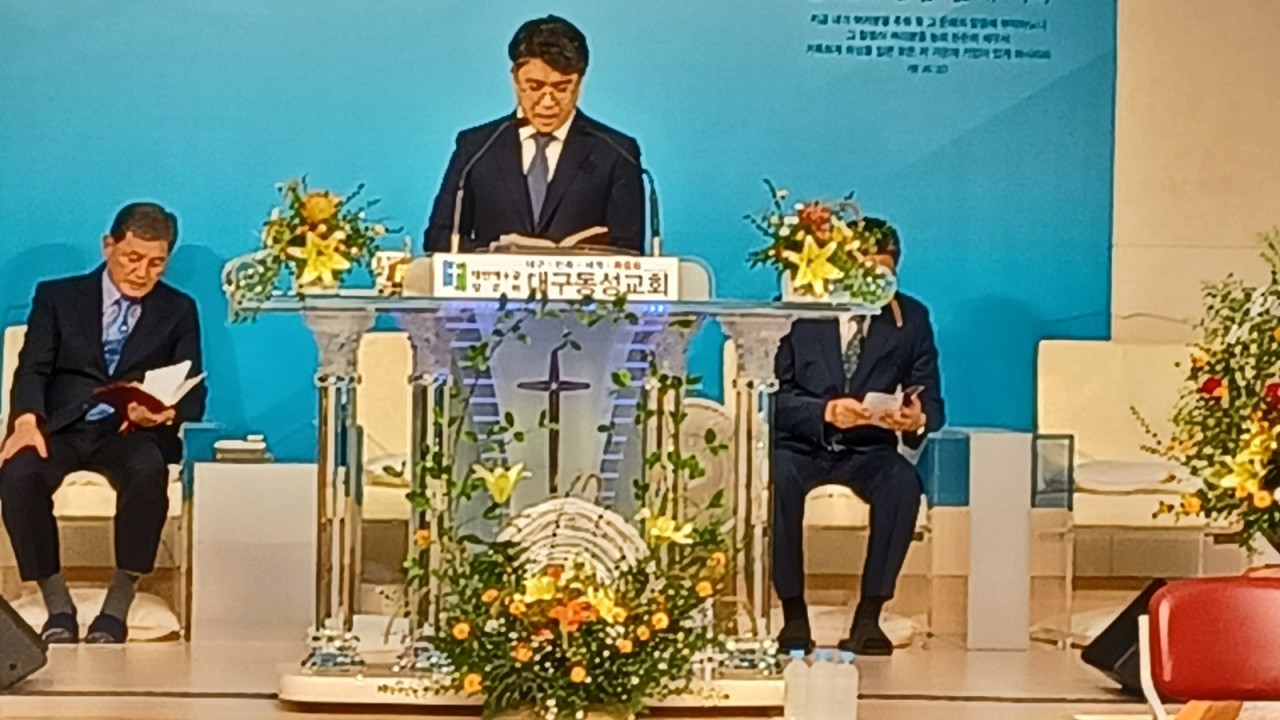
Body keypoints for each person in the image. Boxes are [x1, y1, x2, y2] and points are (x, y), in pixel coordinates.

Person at [0, 202, 205, 644]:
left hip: (130, 432)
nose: (142, 273)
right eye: (132, 258)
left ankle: (118, 604)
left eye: (156, 263)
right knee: (18, 472)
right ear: (108, 246)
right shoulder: (57, 297)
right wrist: (25, 422)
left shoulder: (178, 309)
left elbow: (193, 390)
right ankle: (57, 603)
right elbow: (33, 368)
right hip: (63, 426)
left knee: (148, 468)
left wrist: (165, 412)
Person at [771, 219, 944, 656]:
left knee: (902, 484)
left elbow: (932, 403)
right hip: (802, 445)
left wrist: (915, 418)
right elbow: (774, 401)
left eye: (882, 274)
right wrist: (826, 412)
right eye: (863, 271)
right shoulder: (798, 312)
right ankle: (793, 615)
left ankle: (869, 618)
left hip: (868, 448)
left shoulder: (911, 319)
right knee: (779, 479)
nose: (872, 283)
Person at [424, 15, 645, 254]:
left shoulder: (615, 152)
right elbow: (440, 238)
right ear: (515, 79)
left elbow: (629, 251)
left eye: (561, 88)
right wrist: (497, 254)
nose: (547, 102)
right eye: (535, 87)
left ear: (579, 82)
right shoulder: (477, 148)